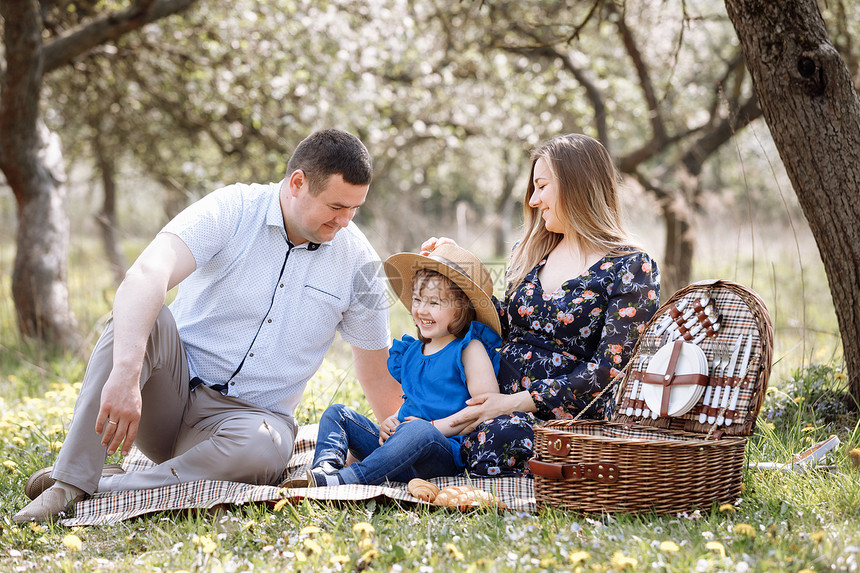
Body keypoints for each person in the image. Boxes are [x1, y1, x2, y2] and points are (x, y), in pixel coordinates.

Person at [14, 129, 401, 523]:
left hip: (248, 427)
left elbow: (377, 372)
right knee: (144, 317)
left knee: (264, 447)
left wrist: (411, 441)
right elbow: (146, 274)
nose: (345, 221)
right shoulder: (233, 208)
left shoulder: (361, 265)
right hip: (168, 398)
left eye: (355, 209)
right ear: (297, 183)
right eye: (336, 206)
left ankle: (97, 488)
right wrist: (126, 374)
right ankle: (67, 483)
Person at [422, 133, 660, 476]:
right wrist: (456, 267)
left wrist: (513, 404)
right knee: (415, 416)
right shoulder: (534, 250)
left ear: (577, 186)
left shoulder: (631, 266)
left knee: (498, 436)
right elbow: (502, 325)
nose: (533, 200)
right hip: (489, 398)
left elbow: (610, 372)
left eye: (542, 186)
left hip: (558, 415)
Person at [297, 244, 502, 486]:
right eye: (417, 300)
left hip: (439, 453)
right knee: (338, 414)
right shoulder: (413, 351)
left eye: (434, 303)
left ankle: (349, 479)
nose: (421, 310)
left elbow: (486, 409)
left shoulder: (469, 349)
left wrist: (433, 427)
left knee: (419, 431)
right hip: (398, 448)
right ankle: (325, 471)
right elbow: (413, 400)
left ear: (461, 308)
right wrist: (391, 421)